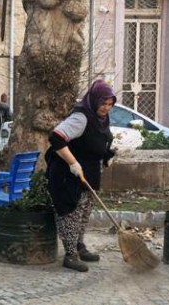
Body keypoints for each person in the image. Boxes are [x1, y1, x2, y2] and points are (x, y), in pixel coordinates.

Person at [46, 80, 118, 272]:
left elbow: (95, 142)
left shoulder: (101, 118)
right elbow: (56, 138)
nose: (106, 108)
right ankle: (70, 255)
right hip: (68, 175)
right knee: (72, 213)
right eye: (103, 103)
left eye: (110, 104)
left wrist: (107, 156)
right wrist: (73, 163)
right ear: (94, 100)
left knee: (84, 212)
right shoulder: (81, 117)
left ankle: (79, 246)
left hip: (88, 174)